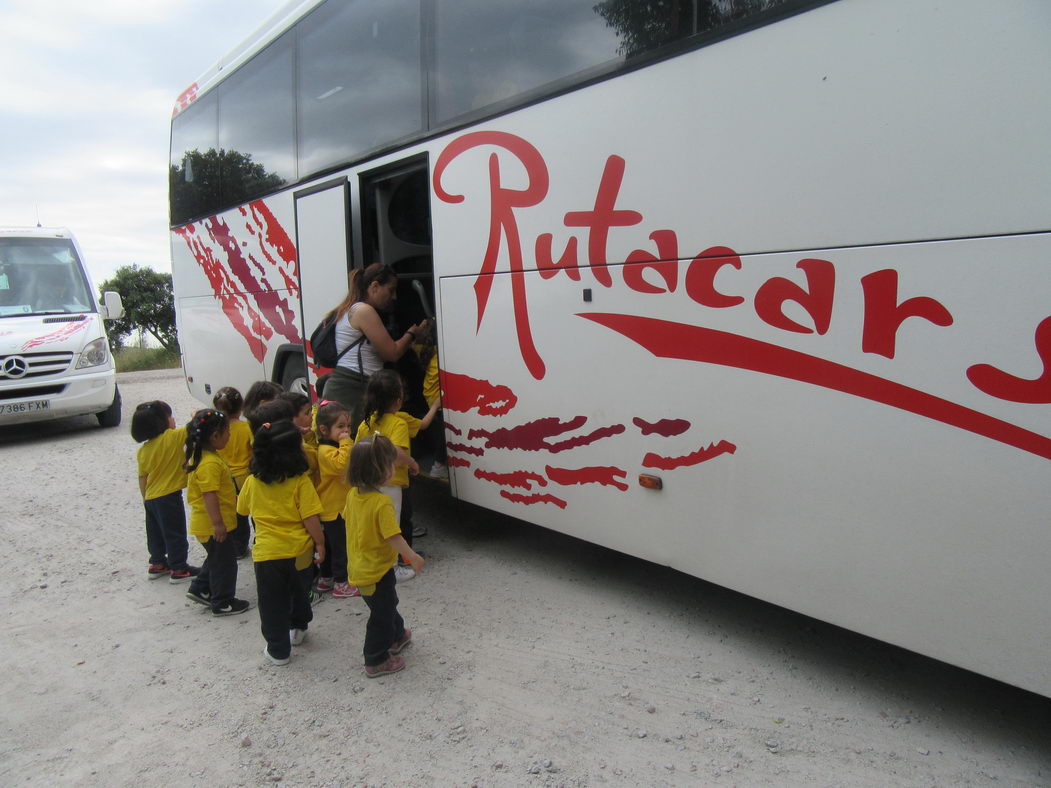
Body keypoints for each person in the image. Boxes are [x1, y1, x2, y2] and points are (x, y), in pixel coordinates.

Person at [237, 420, 325, 666]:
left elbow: (242, 509)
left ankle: (278, 650)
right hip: (300, 551)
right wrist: (320, 543)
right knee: (299, 591)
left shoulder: (252, 482)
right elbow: (310, 518)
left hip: (267, 554)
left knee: (272, 602)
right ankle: (299, 627)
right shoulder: (300, 481)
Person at [344, 435, 424, 678]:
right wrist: (412, 557)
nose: (394, 468)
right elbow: (393, 536)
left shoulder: (352, 495)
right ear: (379, 470)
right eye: (391, 464)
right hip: (375, 571)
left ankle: (397, 635)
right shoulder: (382, 502)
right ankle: (375, 658)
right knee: (382, 612)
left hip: (362, 566)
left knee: (386, 604)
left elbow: (348, 519)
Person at [323, 263, 430, 433]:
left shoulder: (352, 308)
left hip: (349, 385)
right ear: (374, 286)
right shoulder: (363, 311)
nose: (393, 297)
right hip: (353, 388)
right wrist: (412, 333)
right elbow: (392, 353)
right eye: (390, 289)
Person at [355, 370, 440, 582]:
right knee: (395, 524)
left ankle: (380, 563)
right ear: (398, 399)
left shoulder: (366, 422)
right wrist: (412, 462)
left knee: (376, 526)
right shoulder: (399, 423)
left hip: (368, 482)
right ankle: (397, 566)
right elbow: (396, 451)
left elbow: (356, 449)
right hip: (392, 484)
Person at [183, 409, 251, 616]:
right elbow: (209, 495)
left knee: (216, 558)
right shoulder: (210, 463)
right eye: (227, 433)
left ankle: (201, 588)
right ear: (214, 436)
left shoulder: (207, 456)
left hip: (210, 524)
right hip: (213, 525)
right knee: (225, 564)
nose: (229, 436)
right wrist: (218, 524)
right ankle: (223, 601)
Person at [132, 401, 198, 583]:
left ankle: (157, 563)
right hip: (169, 496)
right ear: (163, 422)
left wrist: (145, 498)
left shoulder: (143, 450)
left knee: (155, 533)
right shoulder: (173, 437)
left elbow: (142, 477)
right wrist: (195, 413)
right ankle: (179, 568)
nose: (173, 419)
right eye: (170, 416)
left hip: (151, 497)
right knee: (175, 533)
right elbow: (195, 425)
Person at [314, 401, 357, 598]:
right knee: (339, 547)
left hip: (334, 507)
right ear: (324, 429)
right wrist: (347, 442)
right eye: (340, 427)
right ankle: (341, 582)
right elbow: (342, 465)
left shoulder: (330, 447)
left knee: (331, 546)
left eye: (348, 426)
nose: (346, 431)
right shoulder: (326, 451)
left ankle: (326, 578)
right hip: (334, 508)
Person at [213, 387, 253, 559]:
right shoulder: (246, 427)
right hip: (243, 478)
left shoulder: (216, 431)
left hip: (224, 478)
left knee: (232, 513)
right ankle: (243, 545)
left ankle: (236, 547)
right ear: (241, 408)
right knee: (245, 512)